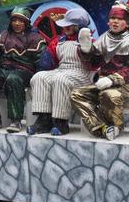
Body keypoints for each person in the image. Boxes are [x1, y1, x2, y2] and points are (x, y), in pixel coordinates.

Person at [71, 2, 129, 140]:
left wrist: (112, 79)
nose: (115, 21)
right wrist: (86, 50)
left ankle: (116, 127)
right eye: (112, 18)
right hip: (104, 81)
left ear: (127, 23)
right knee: (77, 95)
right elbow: (94, 62)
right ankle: (101, 127)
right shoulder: (104, 38)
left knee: (109, 95)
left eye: (120, 19)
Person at [27, 8, 94, 136]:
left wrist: (88, 51)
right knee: (39, 77)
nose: (65, 28)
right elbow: (48, 61)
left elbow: (95, 63)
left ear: (78, 27)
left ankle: (61, 122)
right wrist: (43, 67)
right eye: (65, 25)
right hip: (62, 70)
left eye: (69, 26)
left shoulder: (88, 41)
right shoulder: (59, 41)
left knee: (60, 80)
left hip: (81, 73)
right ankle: (44, 119)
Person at [0, 7, 45, 132]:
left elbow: (41, 61)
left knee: (13, 79)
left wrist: (39, 77)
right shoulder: (4, 35)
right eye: (14, 20)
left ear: (26, 22)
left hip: (24, 71)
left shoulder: (35, 38)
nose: (17, 24)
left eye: (21, 20)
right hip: (4, 70)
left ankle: (16, 120)